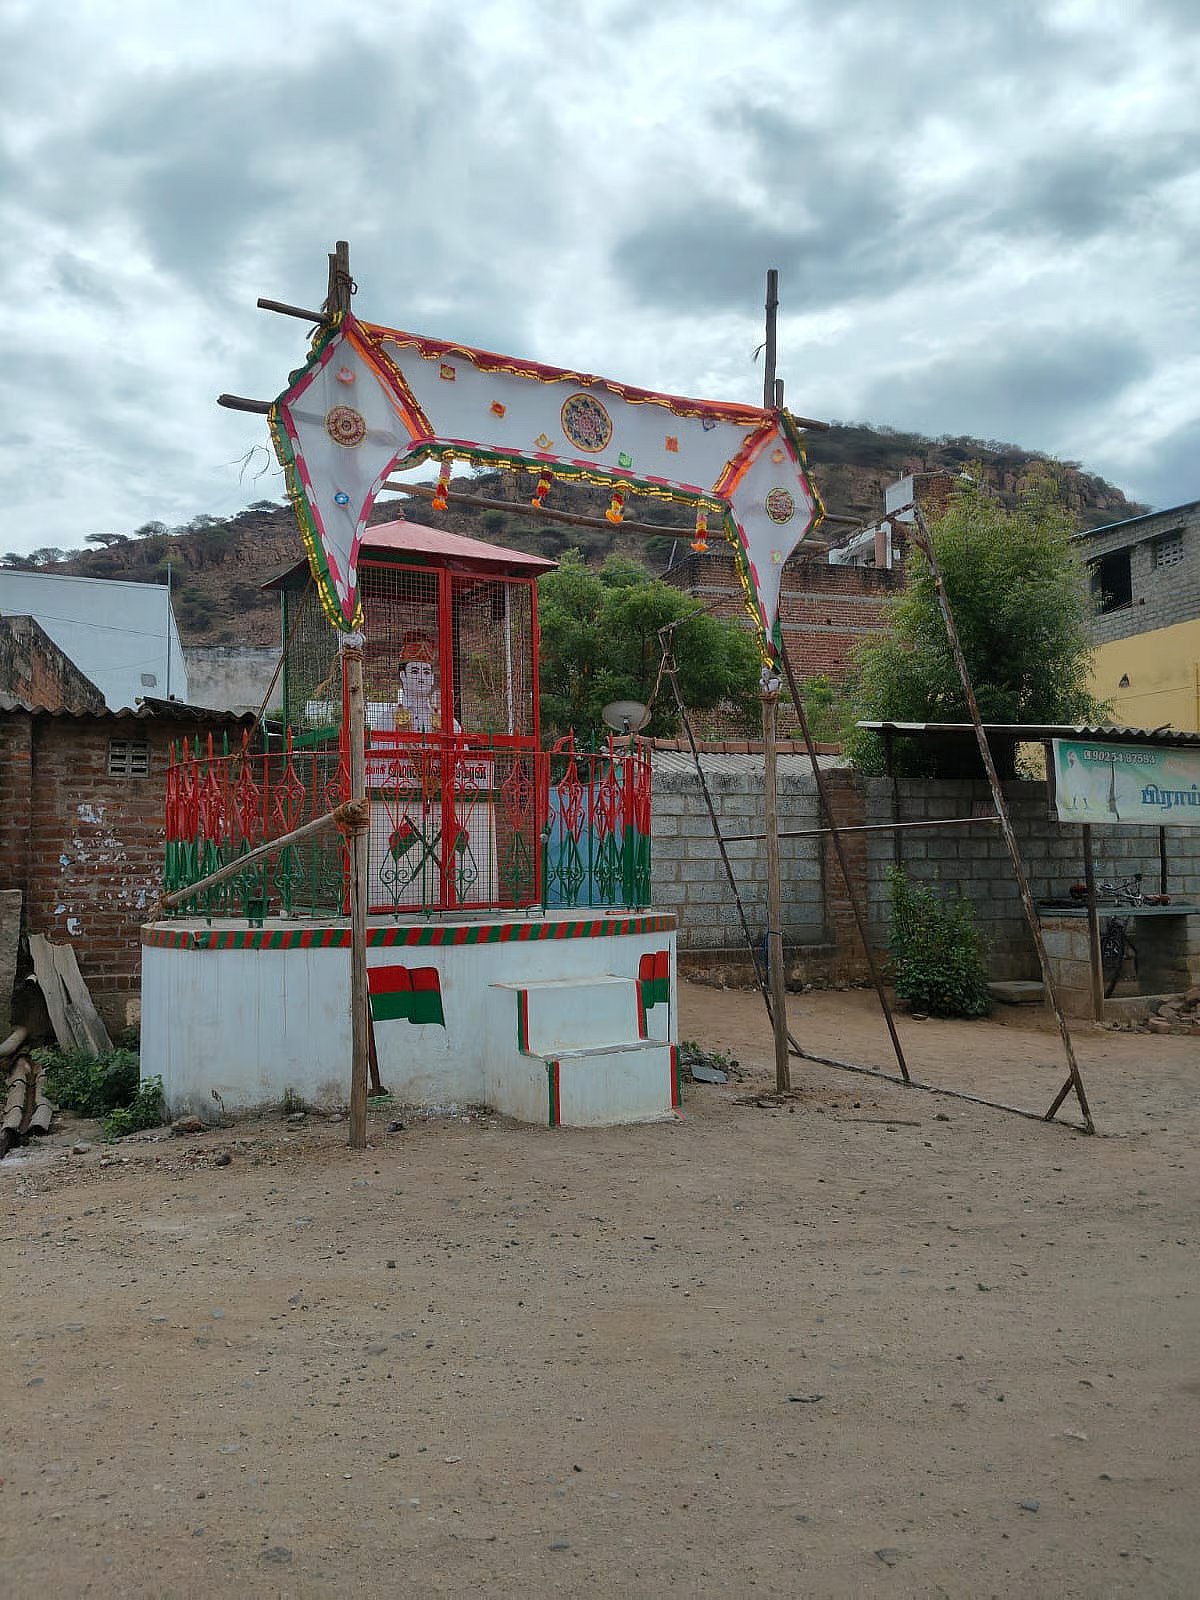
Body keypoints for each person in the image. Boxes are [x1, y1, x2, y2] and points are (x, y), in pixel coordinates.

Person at [393, 630, 459, 733]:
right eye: (415, 671)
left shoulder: (450, 724)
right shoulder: (387, 720)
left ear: (432, 678)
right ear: (403, 676)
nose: (421, 678)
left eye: (426, 672)